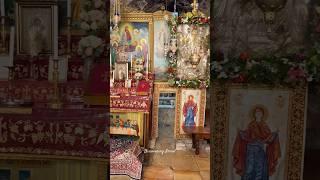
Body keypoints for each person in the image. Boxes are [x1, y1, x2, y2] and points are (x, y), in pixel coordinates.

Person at [232, 105, 281, 180]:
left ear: (262, 115)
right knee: (249, 168)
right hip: (251, 150)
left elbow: (268, 137)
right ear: (254, 114)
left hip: (260, 150)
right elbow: (246, 135)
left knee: (260, 169)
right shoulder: (251, 125)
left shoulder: (265, 126)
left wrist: (275, 134)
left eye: (260, 113)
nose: (258, 114)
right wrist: (240, 132)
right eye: (257, 113)